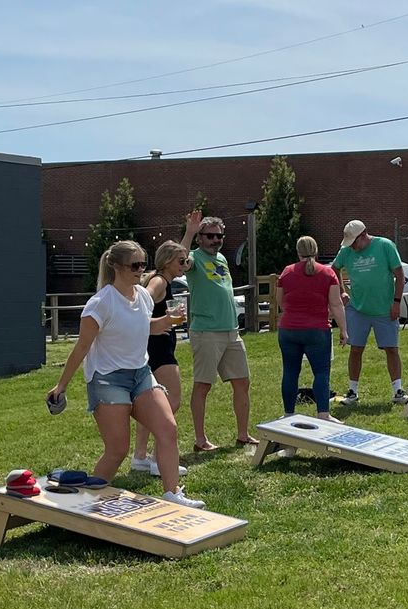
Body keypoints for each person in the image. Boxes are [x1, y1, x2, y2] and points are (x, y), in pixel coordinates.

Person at [46, 241, 204, 505]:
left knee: (168, 429)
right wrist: (61, 386)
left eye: (143, 264)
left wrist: (165, 322)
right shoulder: (100, 303)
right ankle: (84, 503)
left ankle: (172, 493)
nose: (141, 270)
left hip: (140, 374)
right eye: (135, 265)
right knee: (117, 449)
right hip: (108, 380)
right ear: (116, 266)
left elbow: (142, 326)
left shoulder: (142, 296)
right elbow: (82, 346)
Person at [181, 211, 256, 452]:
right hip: (206, 332)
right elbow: (178, 262)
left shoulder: (222, 258)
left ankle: (243, 434)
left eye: (219, 236)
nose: (216, 240)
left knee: (242, 382)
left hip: (231, 331)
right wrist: (189, 231)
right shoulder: (194, 257)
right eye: (210, 236)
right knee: (203, 385)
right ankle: (200, 440)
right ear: (200, 238)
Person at [131, 240, 190, 477]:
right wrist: (158, 322)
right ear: (167, 262)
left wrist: (189, 233)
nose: (185, 265)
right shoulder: (158, 282)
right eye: (181, 261)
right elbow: (142, 300)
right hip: (159, 350)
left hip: (153, 348)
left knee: (149, 405)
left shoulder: (161, 278)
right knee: (171, 401)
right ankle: (158, 460)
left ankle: (140, 457)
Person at [332, 220, 407, 404]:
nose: (352, 247)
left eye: (354, 242)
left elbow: (399, 275)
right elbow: (334, 269)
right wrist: (341, 290)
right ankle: (352, 391)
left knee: (391, 349)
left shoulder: (385, 246)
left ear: (364, 235)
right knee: (356, 349)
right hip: (358, 309)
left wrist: (396, 302)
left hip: (385, 309)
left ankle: (398, 391)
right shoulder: (346, 251)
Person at [276, 235, 347, 418]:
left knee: (290, 371)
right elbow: (336, 304)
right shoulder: (327, 273)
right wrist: (344, 330)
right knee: (321, 372)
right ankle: (323, 413)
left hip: (289, 330)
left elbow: (279, 301)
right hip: (317, 330)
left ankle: (288, 414)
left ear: (297, 251)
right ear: (316, 251)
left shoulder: (287, 271)